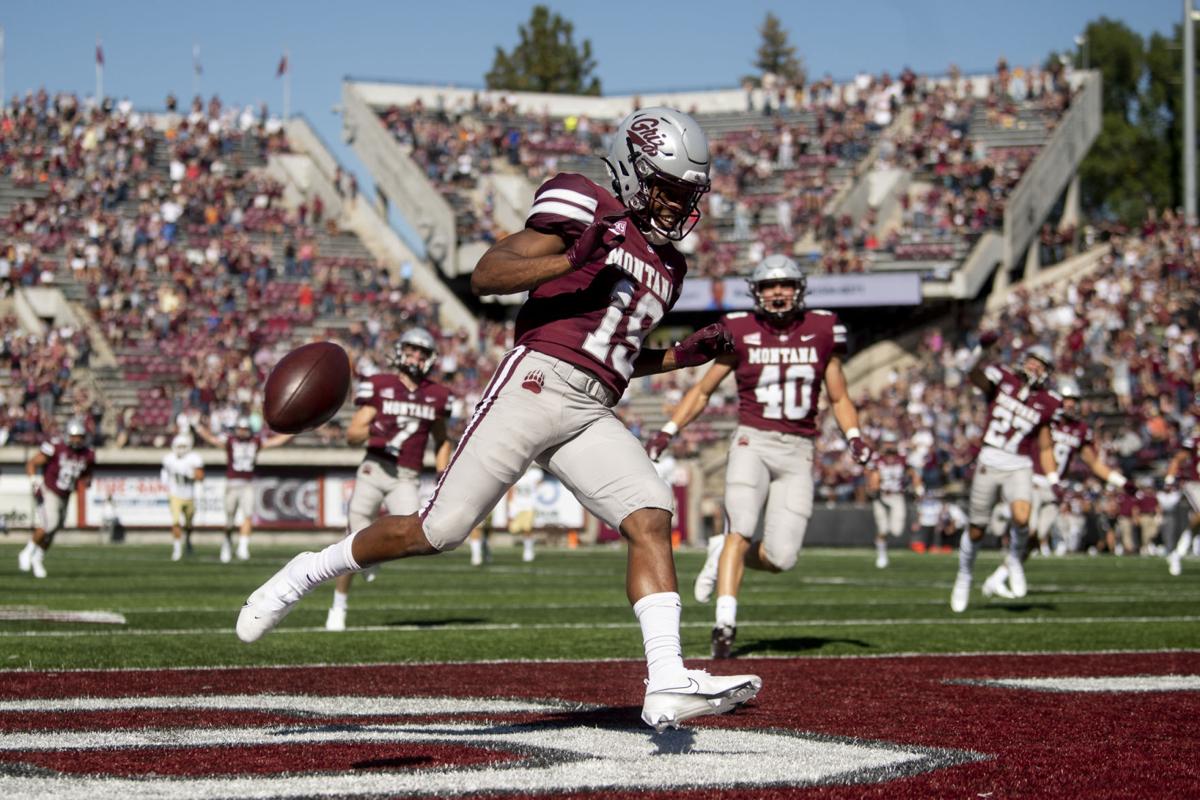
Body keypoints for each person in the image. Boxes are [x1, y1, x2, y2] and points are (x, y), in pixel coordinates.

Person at [237, 107, 761, 732]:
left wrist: (680, 355)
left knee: (650, 512)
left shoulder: (671, 267)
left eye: (686, 192)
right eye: (667, 187)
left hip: (592, 406)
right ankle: (307, 571)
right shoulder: (584, 203)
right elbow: (488, 274)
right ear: (631, 169)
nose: (678, 205)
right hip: (536, 383)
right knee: (438, 530)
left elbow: (614, 354)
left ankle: (668, 680)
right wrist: (572, 259)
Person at [644, 254, 872, 658]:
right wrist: (668, 430)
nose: (778, 292)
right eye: (769, 286)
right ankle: (725, 624)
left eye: (785, 285)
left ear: (798, 289)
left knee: (782, 557)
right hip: (753, 440)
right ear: (757, 292)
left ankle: (723, 550)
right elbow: (702, 390)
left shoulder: (822, 329)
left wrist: (853, 434)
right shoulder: (740, 330)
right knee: (742, 526)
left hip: (799, 449)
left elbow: (838, 394)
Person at [325, 328, 454, 632]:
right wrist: (375, 432)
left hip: (407, 476)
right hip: (375, 468)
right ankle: (338, 606)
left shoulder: (437, 395)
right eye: (411, 350)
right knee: (352, 537)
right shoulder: (379, 385)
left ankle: (371, 556)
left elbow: (441, 439)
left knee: (412, 536)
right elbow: (352, 435)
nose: (416, 357)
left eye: (422, 352)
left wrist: (441, 475)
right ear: (399, 351)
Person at [980, 376, 1134, 598]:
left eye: (1073, 400)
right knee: (1028, 531)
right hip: (1031, 480)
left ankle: (997, 578)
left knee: (1035, 540)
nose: (1070, 404)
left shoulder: (1080, 429)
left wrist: (1121, 481)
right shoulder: (1043, 421)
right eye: (1066, 399)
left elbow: (1094, 463)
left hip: (1053, 490)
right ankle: (1006, 565)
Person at [951, 337, 1060, 612]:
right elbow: (971, 373)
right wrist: (980, 349)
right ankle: (964, 575)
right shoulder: (1003, 378)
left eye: (1041, 363)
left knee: (1022, 517)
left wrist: (1053, 479)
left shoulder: (1047, 402)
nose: (1035, 366)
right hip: (990, 459)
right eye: (1032, 360)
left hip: (1019, 464)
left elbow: (1045, 445)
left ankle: (1014, 561)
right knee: (976, 529)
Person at [195, 416, 292, 562]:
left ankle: (242, 547)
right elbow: (212, 440)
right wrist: (199, 429)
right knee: (229, 520)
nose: (242, 432)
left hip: (247, 483)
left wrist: (293, 432)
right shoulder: (230, 441)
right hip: (232, 484)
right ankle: (227, 544)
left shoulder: (255, 441)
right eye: (240, 429)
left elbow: (275, 442)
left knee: (248, 515)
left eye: (245, 429)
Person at [18, 418, 94, 579]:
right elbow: (32, 463)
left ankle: (38, 559)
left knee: (53, 530)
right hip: (49, 490)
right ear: (68, 435)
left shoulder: (87, 454)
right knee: (49, 524)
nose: (77, 439)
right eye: (75, 436)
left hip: (65, 495)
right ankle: (27, 552)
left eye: (80, 436)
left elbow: (87, 473)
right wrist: (33, 482)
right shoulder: (56, 447)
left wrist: (87, 480)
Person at [866, 431, 924, 568]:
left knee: (897, 530)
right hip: (881, 496)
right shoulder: (876, 458)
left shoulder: (902, 458)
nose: (889, 446)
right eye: (887, 442)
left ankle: (883, 551)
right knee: (883, 529)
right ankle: (882, 555)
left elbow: (913, 473)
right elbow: (871, 477)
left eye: (891, 442)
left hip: (897, 496)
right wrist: (873, 488)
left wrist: (918, 487)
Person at [161, 433, 205, 561]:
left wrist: (191, 475)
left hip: (189, 495)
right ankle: (177, 549)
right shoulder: (169, 458)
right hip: (175, 494)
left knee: (189, 525)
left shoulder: (193, 458)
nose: (181, 449)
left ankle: (188, 540)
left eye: (183, 446)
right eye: (178, 446)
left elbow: (201, 476)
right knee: (175, 522)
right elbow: (164, 475)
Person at [1165, 428, 1199, 576]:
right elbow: (1178, 458)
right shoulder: (1195, 440)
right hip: (1194, 483)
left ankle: (1177, 553)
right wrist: (1170, 478)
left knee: (1197, 523)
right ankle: (1178, 552)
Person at [507, 465, 543, 563]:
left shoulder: (534, 473)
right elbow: (511, 491)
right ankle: (529, 544)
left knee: (527, 529)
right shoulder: (515, 474)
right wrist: (511, 509)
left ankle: (528, 551)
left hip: (529, 506)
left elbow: (539, 482)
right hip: (518, 506)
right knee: (514, 529)